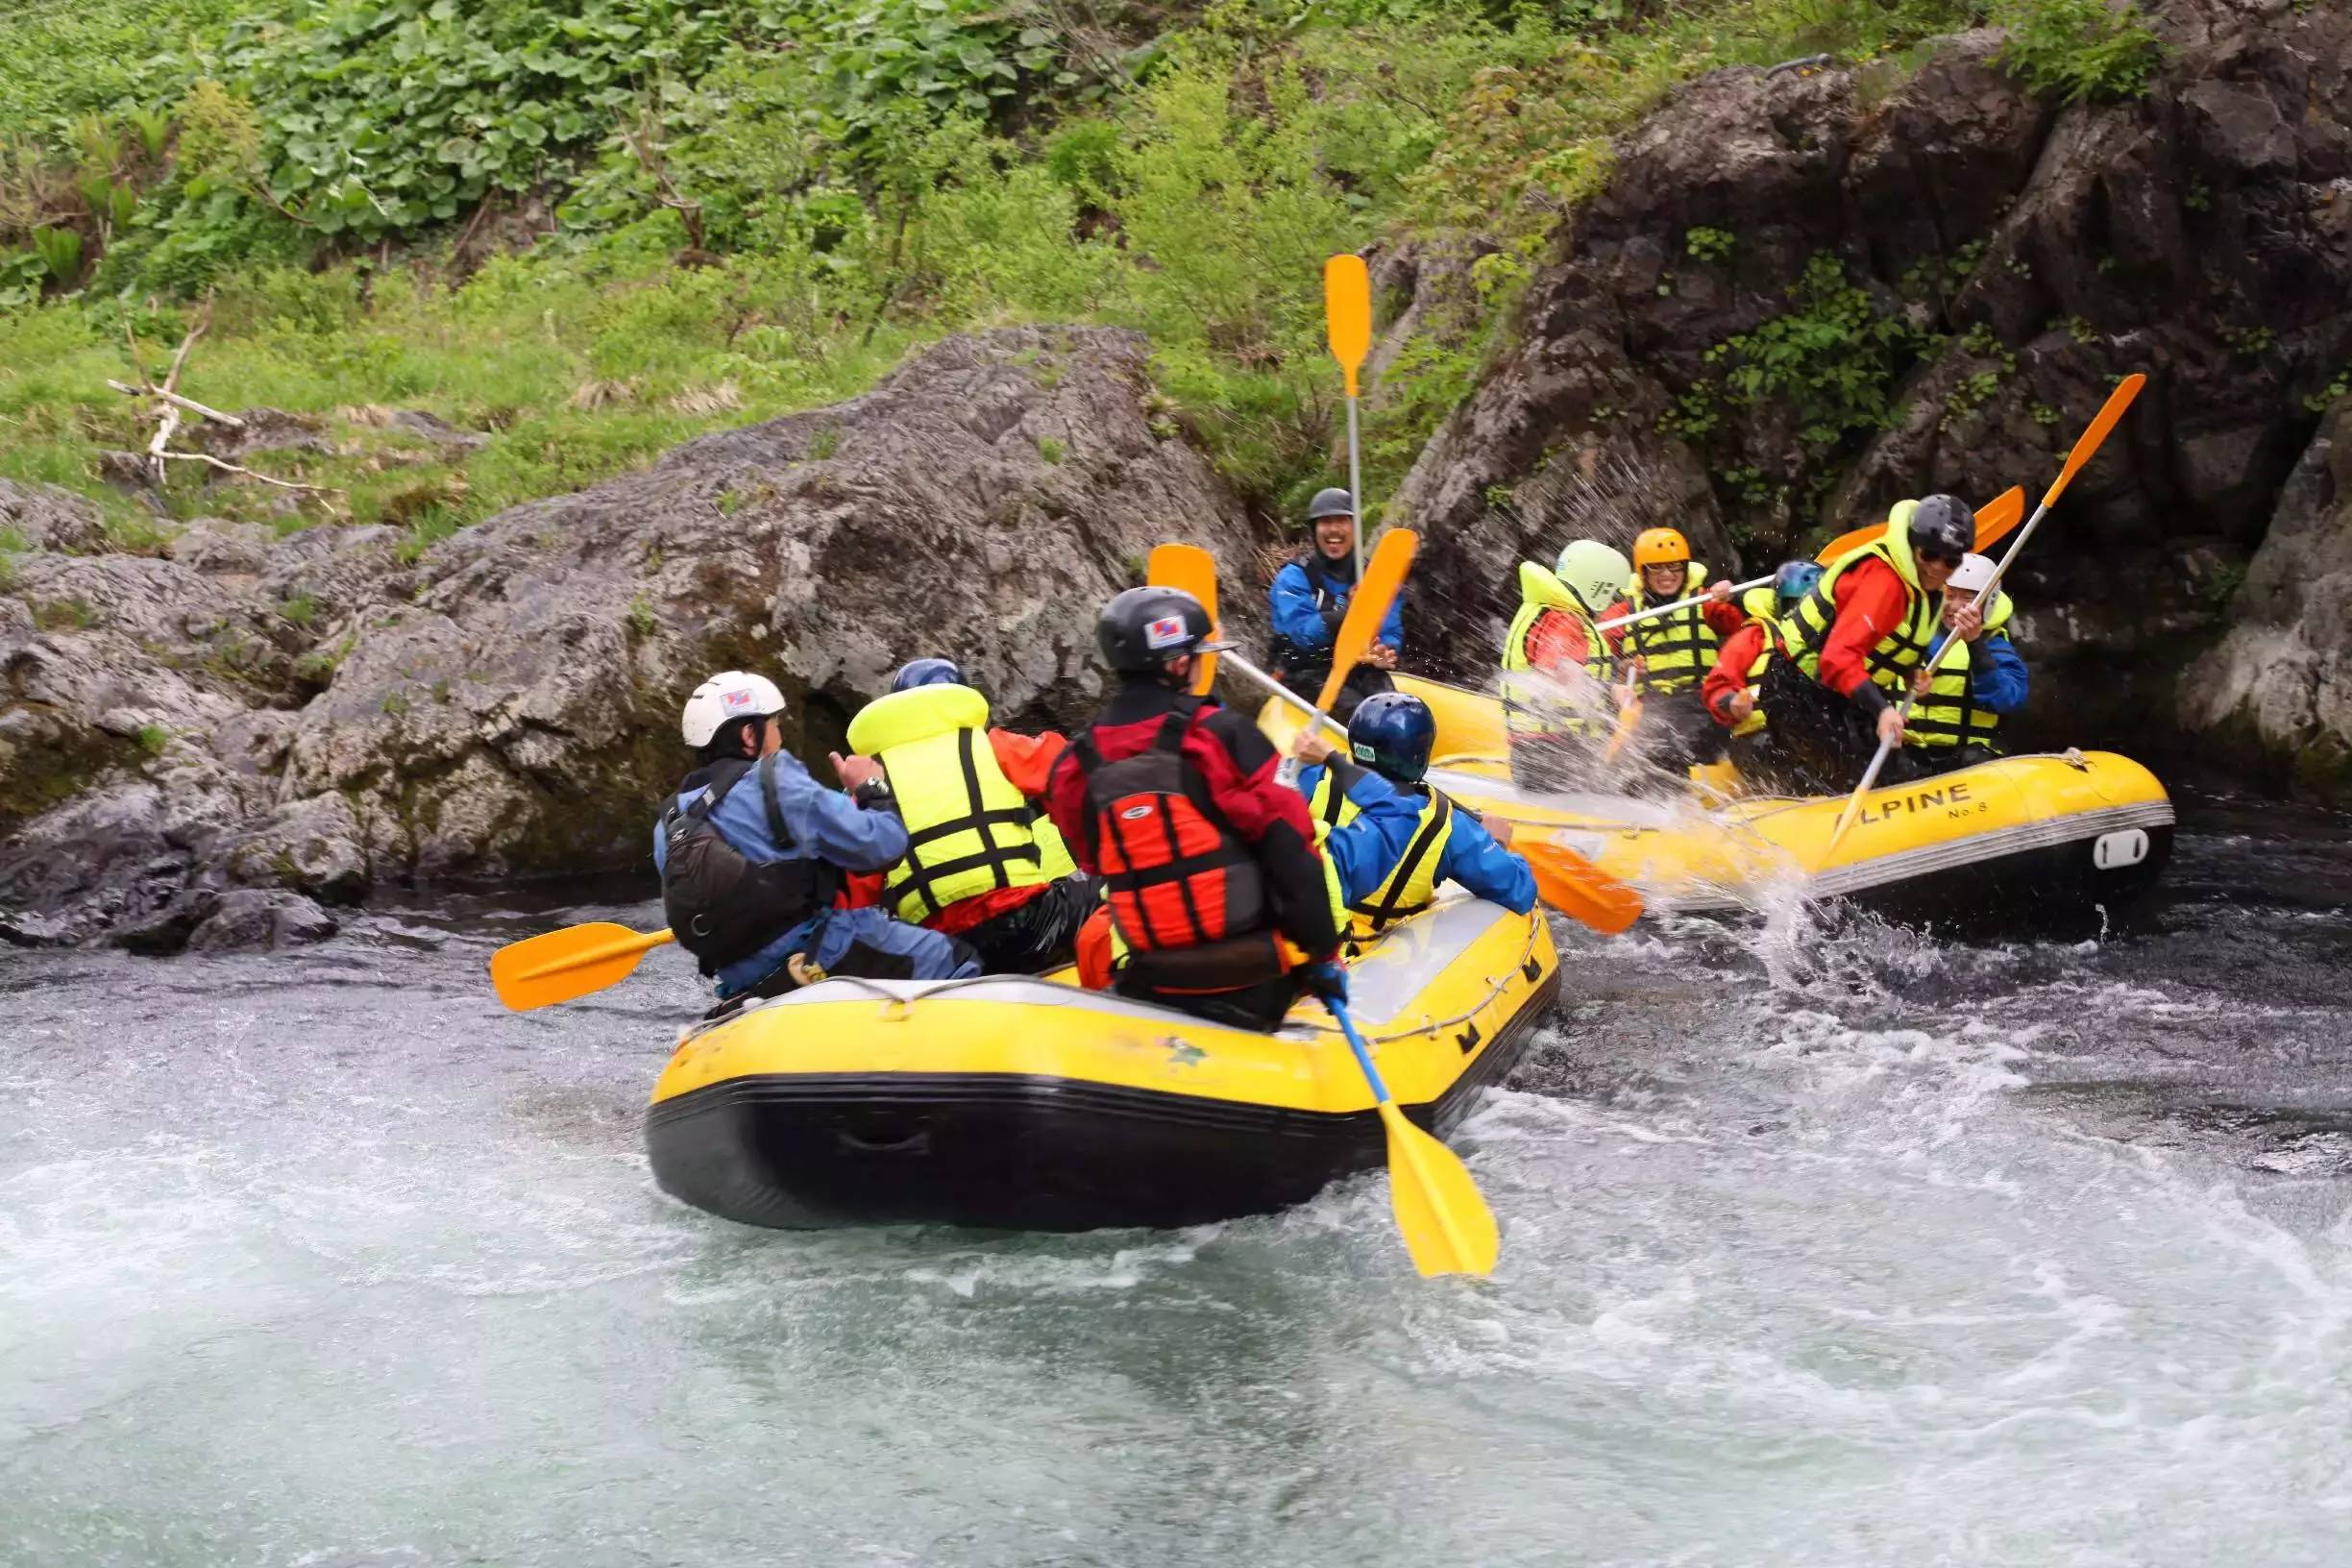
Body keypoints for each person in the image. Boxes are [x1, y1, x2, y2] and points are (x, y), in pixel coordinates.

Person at [1046, 586, 1366, 1030]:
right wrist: (1322, 956)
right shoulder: (1222, 736)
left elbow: (1093, 857)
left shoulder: (1074, 765)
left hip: (1149, 974)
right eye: (1197, 656)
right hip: (1251, 979)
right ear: (1179, 664)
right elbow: (1292, 849)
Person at [653, 670, 980, 1001]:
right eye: (774, 724)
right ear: (750, 735)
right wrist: (873, 789)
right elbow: (882, 846)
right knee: (959, 962)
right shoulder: (775, 778)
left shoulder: (668, 823)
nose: (779, 734)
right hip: (823, 950)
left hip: (743, 979)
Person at [838, 657, 1097, 975]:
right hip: (1028, 924)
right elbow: (1078, 777)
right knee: (1120, 890)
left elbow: (853, 897)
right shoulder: (992, 746)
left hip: (945, 951)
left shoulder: (871, 786)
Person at [1756, 495, 1974, 791]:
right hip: (1798, 686)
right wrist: (1883, 710)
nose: (1938, 567)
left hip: (1840, 695)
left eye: (1951, 561)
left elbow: (1890, 643)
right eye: (1930, 555)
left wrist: (1910, 672)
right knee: (1846, 776)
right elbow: (1836, 658)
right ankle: (1778, 786)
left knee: (1890, 774)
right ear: (1913, 545)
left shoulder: (1926, 590)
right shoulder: (1883, 583)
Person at [1295, 692, 1536, 940]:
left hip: (1303, 927)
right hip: (1372, 952)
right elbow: (1519, 891)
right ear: (1420, 756)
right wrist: (1497, 843)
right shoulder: (1448, 825)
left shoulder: (1311, 777)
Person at [1499, 538, 1629, 791]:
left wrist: (1612, 678)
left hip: (1535, 752)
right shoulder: (1565, 621)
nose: (1611, 602)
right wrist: (1610, 691)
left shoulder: (1543, 610)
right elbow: (1555, 678)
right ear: (1598, 587)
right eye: (1611, 593)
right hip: (1555, 753)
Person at [1612, 527, 1746, 772]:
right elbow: (1596, 651)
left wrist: (1732, 599)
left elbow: (1742, 626)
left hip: (1701, 702)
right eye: (1657, 568)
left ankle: (1676, 796)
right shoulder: (1623, 612)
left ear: (1685, 568)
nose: (1667, 575)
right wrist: (1621, 669)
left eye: (1674, 567)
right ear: (1642, 572)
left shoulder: (1706, 601)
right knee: (1625, 761)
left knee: (1666, 746)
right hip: (1652, 707)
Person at [1266, 487, 1403, 720]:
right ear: (1314, 530)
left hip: (1359, 668)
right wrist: (1352, 612)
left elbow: (1390, 630)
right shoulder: (1293, 576)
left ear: (1354, 528)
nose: (1334, 530)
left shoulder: (1372, 576)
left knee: (1395, 714)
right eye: (1325, 522)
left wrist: (1385, 650)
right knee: (1362, 716)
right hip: (1304, 672)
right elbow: (1305, 636)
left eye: (1342, 521)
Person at [1899, 552, 2030, 775]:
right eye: (1950, 595)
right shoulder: (1912, 634)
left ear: (1988, 602)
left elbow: (2009, 700)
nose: (1955, 606)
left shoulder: (1995, 646)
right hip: (1907, 755)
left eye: (1968, 598)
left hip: (1963, 761)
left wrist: (1975, 644)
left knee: (1974, 757)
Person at [1703, 559, 1820, 784]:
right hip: (1760, 737)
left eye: (1812, 607)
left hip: (1810, 735)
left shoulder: (1836, 639)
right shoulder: (1754, 636)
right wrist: (1732, 703)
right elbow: (1716, 686)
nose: (1804, 615)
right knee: (1775, 753)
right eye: (1795, 605)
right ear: (1779, 604)